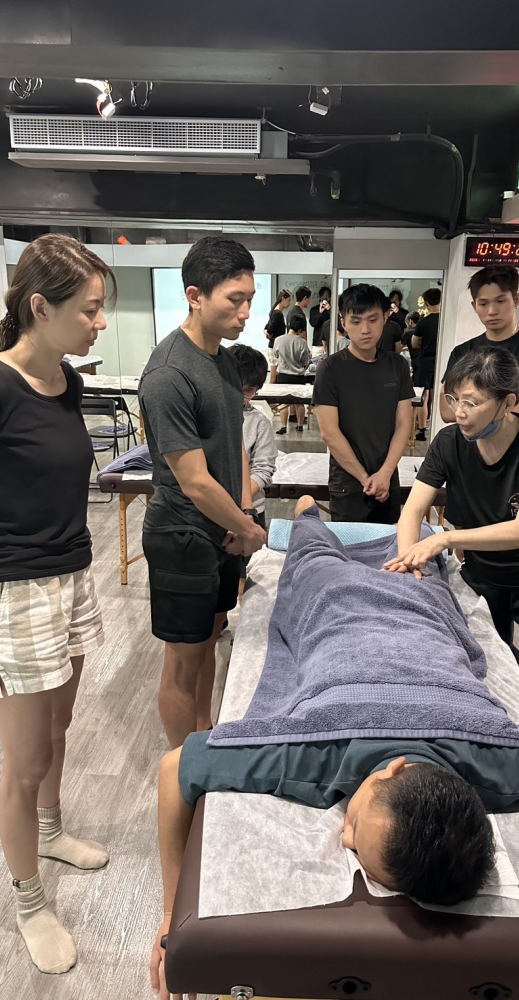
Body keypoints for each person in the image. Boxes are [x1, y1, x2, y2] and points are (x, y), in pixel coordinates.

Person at [149, 495, 519, 998]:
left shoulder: (502, 765)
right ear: (393, 769)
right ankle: (307, 511)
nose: (344, 837)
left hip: (407, 609)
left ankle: (323, 521)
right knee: (321, 552)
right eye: (356, 823)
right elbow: (174, 770)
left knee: (385, 563)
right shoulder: (317, 749)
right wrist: (170, 914)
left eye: (351, 838)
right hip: (341, 598)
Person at [0, 234, 115, 975]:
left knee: (59, 729)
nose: (100, 322)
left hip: (71, 576)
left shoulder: (63, 382)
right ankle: (30, 903)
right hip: (12, 588)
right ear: (41, 307)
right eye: (90, 310)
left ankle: (51, 830)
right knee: (24, 759)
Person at [386, 348, 519, 730]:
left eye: (471, 403)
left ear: (507, 403)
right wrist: (409, 562)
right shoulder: (449, 442)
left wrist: (443, 540)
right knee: (491, 676)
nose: (458, 412)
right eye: (453, 399)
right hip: (484, 576)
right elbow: (412, 511)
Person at [138, 236, 267, 751]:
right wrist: (246, 528)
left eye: (249, 299)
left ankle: (204, 738)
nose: (245, 312)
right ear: (195, 296)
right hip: (183, 534)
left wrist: (242, 515)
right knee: (183, 660)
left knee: (210, 639)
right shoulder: (169, 373)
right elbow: (192, 480)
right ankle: (181, 768)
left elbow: (235, 443)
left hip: (223, 528)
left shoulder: (225, 360)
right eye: (235, 300)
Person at [313, 284, 413, 524]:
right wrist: (365, 478)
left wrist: (385, 474)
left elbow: (403, 425)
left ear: (385, 318)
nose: (365, 330)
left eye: (373, 320)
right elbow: (329, 433)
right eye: (356, 322)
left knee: (389, 545)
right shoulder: (330, 369)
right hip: (348, 484)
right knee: (349, 546)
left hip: (388, 479)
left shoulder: (397, 366)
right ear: (343, 323)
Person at [439, 265, 519, 425]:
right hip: (469, 438)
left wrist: (473, 411)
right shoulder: (462, 351)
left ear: (516, 299)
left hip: (518, 439)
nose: (492, 311)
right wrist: (501, 412)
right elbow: (447, 410)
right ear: (474, 306)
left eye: (500, 301)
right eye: (483, 304)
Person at [228, 343, 277, 532]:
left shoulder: (259, 422)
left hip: (250, 510)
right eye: (234, 387)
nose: (239, 396)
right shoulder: (205, 415)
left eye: (248, 391)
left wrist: (237, 502)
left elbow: (263, 470)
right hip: (210, 509)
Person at [274, 314, 312, 435]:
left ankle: (283, 426)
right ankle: (300, 425)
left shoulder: (278, 340)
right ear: (301, 329)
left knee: (283, 402)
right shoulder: (302, 343)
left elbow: (276, 355)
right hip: (298, 376)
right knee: (299, 402)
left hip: (283, 375)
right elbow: (305, 361)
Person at [412, 288, 441, 440]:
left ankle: (422, 430)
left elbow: (414, 343)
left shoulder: (423, 322)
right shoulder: (445, 320)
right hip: (441, 360)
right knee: (439, 393)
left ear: (426, 303)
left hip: (425, 361)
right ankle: (438, 427)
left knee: (423, 395)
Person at [265, 289, 291, 384]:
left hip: (274, 347)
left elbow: (266, 329)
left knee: (274, 375)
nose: (290, 303)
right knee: (273, 377)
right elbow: (269, 330)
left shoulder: (274, 312)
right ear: (283, 299)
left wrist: (267, 333)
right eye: (288, 300)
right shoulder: (278, 314)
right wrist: (268, 334)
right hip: (275, 347)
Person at [309, 285, 332, 356]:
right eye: (323, 296)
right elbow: (313, 323)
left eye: (327, 296)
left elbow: (337, 322)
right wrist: (320, 313)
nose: (325, 298)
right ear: (320, 296)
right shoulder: (314, 310)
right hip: (317, 344)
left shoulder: (332, 310)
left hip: (330, 343)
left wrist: (330, 310)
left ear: (330, 297)